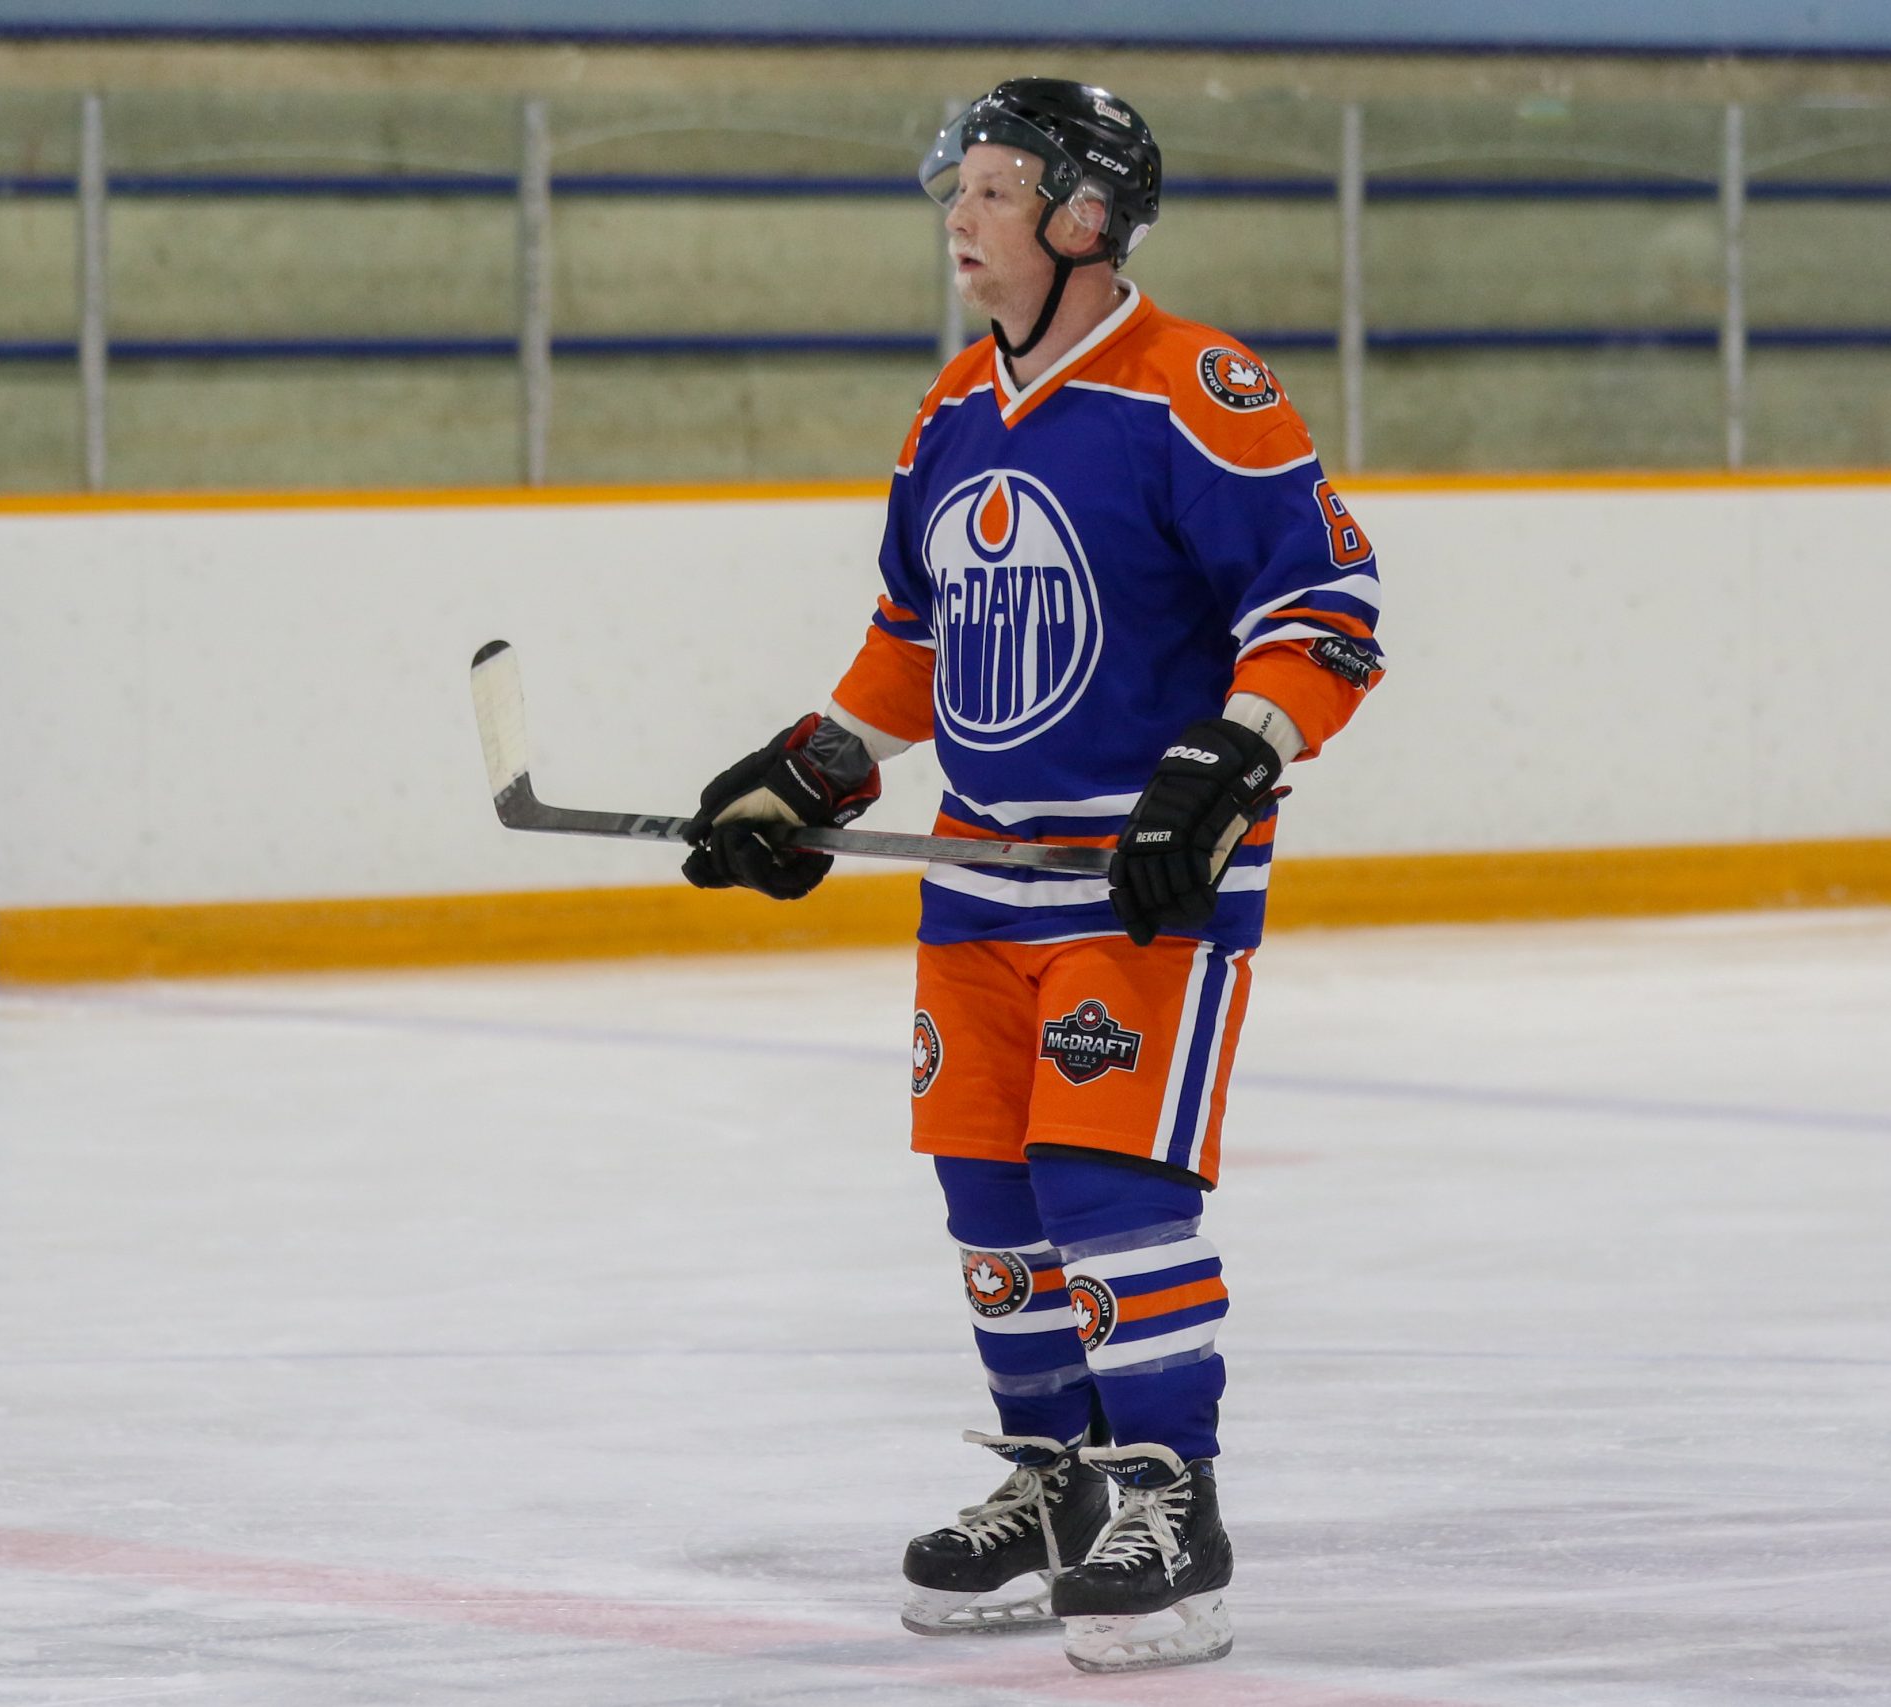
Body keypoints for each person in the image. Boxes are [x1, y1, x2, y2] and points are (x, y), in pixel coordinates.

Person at [679, 77, 1384, 1675]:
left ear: (1087, 217)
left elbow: (1326, 610)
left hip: (1142, 887)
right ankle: (1058, 1484)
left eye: (997, 189)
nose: (962, 215)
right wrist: (811, 773)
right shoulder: (950, 410)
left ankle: (1171, 1503)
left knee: (1107, 1189)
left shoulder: (1196, 389)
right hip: (979, 887)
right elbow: (913, 641)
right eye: (959, 189)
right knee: (989, 1200)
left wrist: (1228, 759)